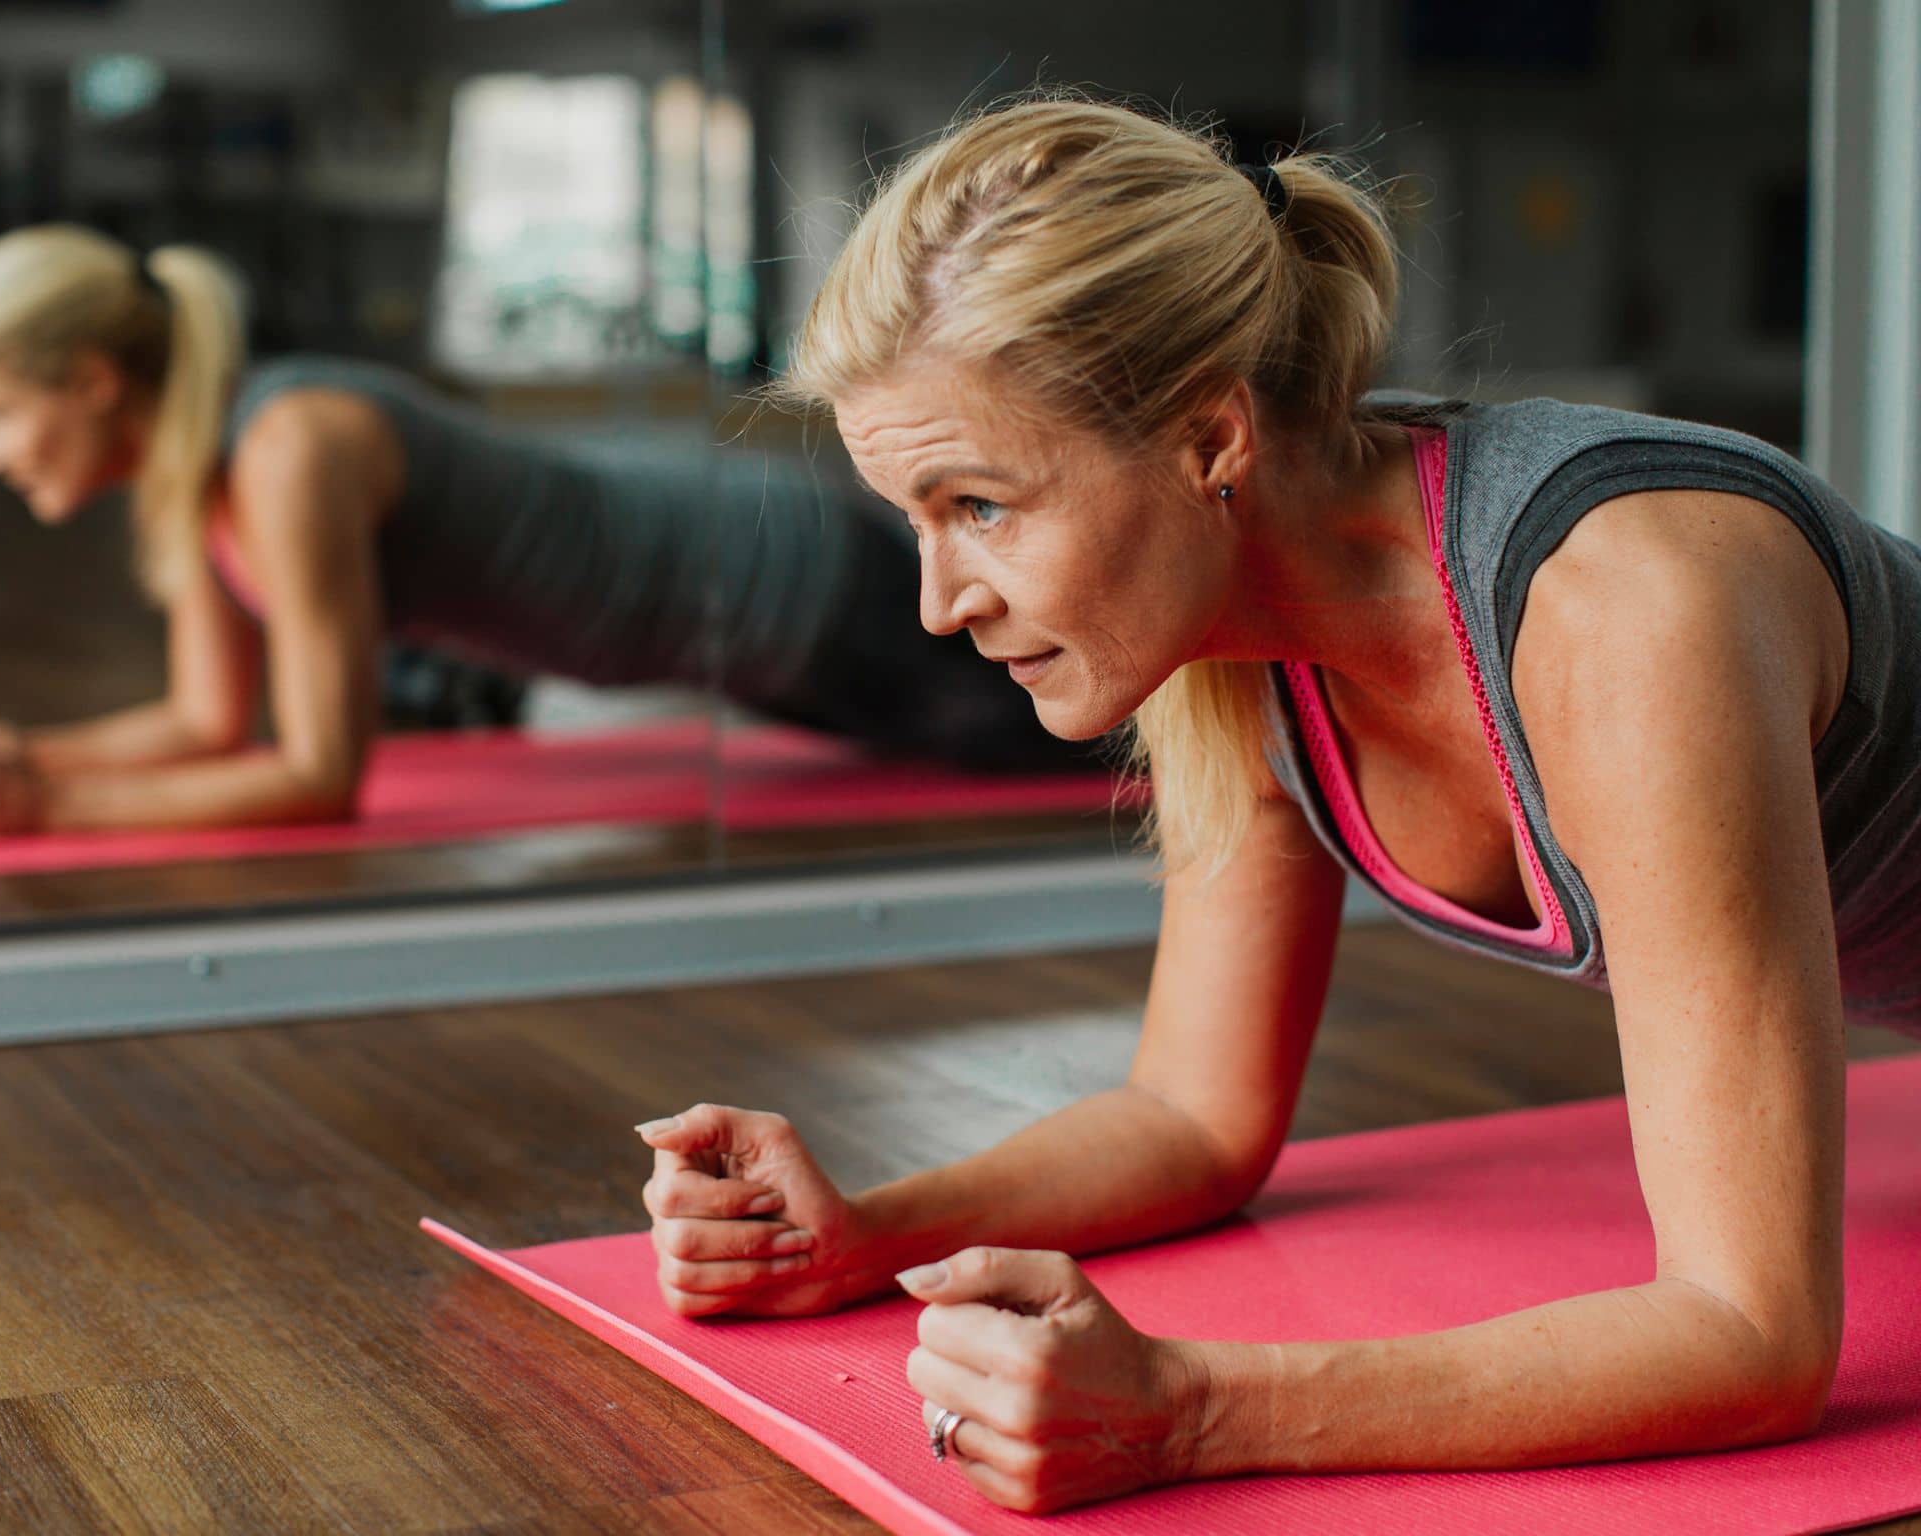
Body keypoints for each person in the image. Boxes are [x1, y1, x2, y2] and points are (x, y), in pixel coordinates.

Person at [634, 96, 1921, 1513]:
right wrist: (863, 1235)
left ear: (1209, 439)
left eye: (981, 505)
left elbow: (1753, 1334)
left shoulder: (1623, 610)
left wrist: (1184, 1413)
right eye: (916, 523)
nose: (942, 605)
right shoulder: (1237, 651)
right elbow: (1193, 1115)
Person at [0, 224, 1076, 841]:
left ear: (91, 380)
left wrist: (47, 802)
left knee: (1128, 763)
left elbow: (315, 777)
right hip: (757, 650)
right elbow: (204, 723)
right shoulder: (200, 473)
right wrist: (16, 752)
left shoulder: (290, 446)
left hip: (803, 589)